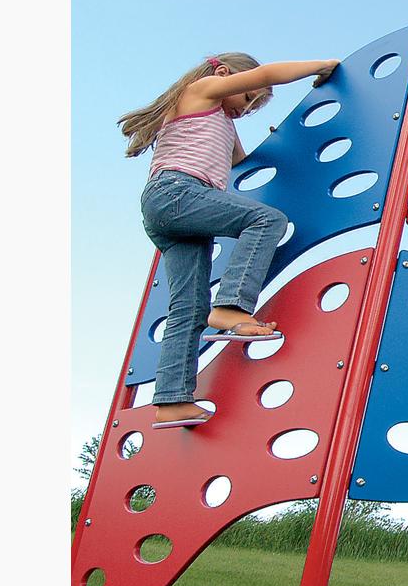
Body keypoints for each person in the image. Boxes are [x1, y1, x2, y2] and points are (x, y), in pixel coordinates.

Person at [119, 52, 339, 429]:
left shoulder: (220, 121)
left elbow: (241, 159)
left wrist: (281, 140)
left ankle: (172, 401)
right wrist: (321, 67)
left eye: (255, 107)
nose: (248, 108)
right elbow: (269, 73)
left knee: (187, 309)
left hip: (174, 213)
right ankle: (233, 308)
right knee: (266, 219)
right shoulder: (201, 91)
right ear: (225, 75)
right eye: (249, 97)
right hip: (176, 192)